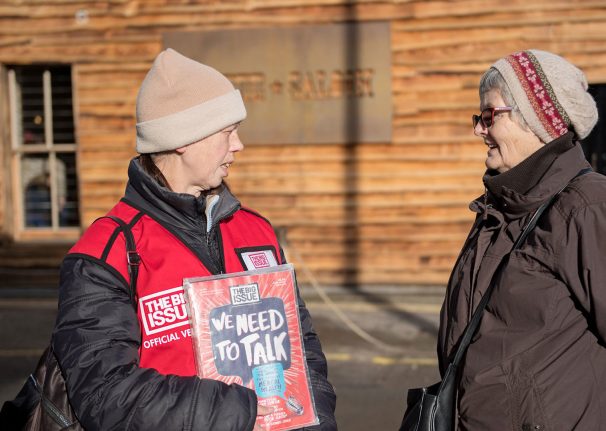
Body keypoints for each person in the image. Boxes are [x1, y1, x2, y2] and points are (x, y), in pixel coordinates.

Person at [52, 48, 337, 430]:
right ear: (184, 139)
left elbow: (304, 348)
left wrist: (315, 417)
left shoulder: (255, 230)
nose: (239, 145)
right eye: (227, 132)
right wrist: (241, 412)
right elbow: (104, 395)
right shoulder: (107, 252)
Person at [437, 49, 606, 430]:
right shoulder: (502, 206)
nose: (479, 130)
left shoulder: (587, 207)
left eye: (488, 116)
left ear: (535, 121)